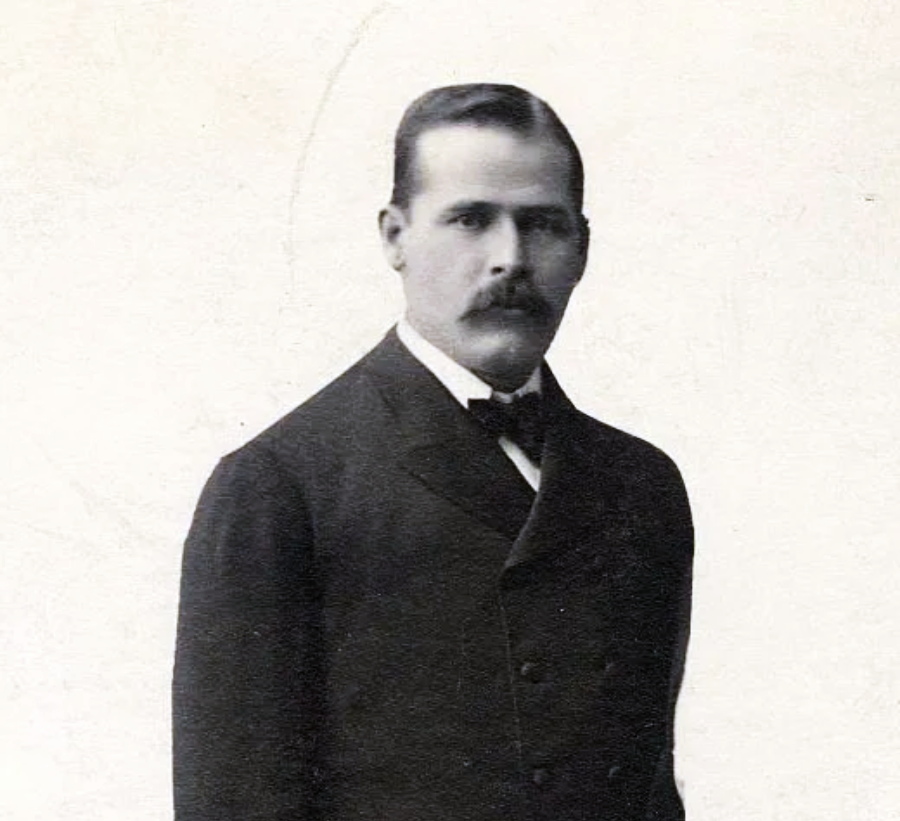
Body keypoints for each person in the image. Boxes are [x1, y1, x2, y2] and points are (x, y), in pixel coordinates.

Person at [173, 83, 694, 821]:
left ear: (582, 248)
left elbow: (648, 788)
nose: (509, 258)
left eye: (542, 224)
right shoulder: (280, 485)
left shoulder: (642, 484)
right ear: (394, 235)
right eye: (470, 220)